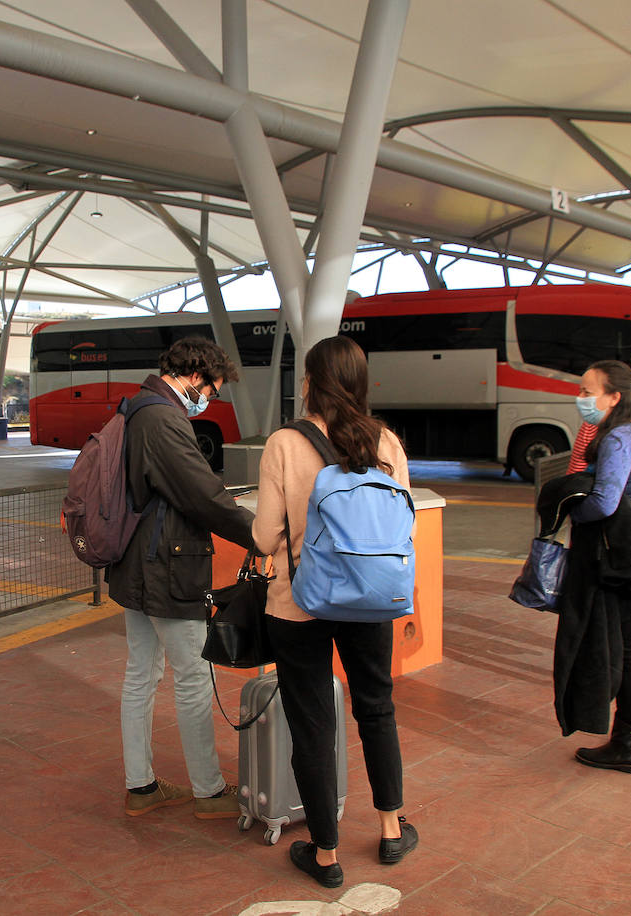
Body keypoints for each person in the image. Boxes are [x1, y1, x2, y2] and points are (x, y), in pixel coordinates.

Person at [252, 336, 416, 889]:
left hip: (299, 602)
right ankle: (392, 828)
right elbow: (402, 523)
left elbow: (265, 533)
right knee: (377, 707)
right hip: (371, 599)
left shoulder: (284, 442)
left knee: (313, 723)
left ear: (310, 383)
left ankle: (325, 854)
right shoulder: (387, 441)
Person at [107, 337, 256, 819]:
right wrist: (260, 534)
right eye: (211, 390)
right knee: (193, 677)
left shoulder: (137, 408)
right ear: (196, 376)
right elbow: (203, 496)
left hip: (137, 564)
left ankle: (142, 786)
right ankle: (209, 793)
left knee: (141, 676)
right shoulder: (164, 418)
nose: (208, 400)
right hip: (168, 569)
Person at [566, 360, 631, 774]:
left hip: (625, 554)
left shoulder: (619, 438)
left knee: (630, 650)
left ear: (614, 397)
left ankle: (627, 740)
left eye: (588, 389)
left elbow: (605, 502)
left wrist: (574, 512)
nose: (582, 397)